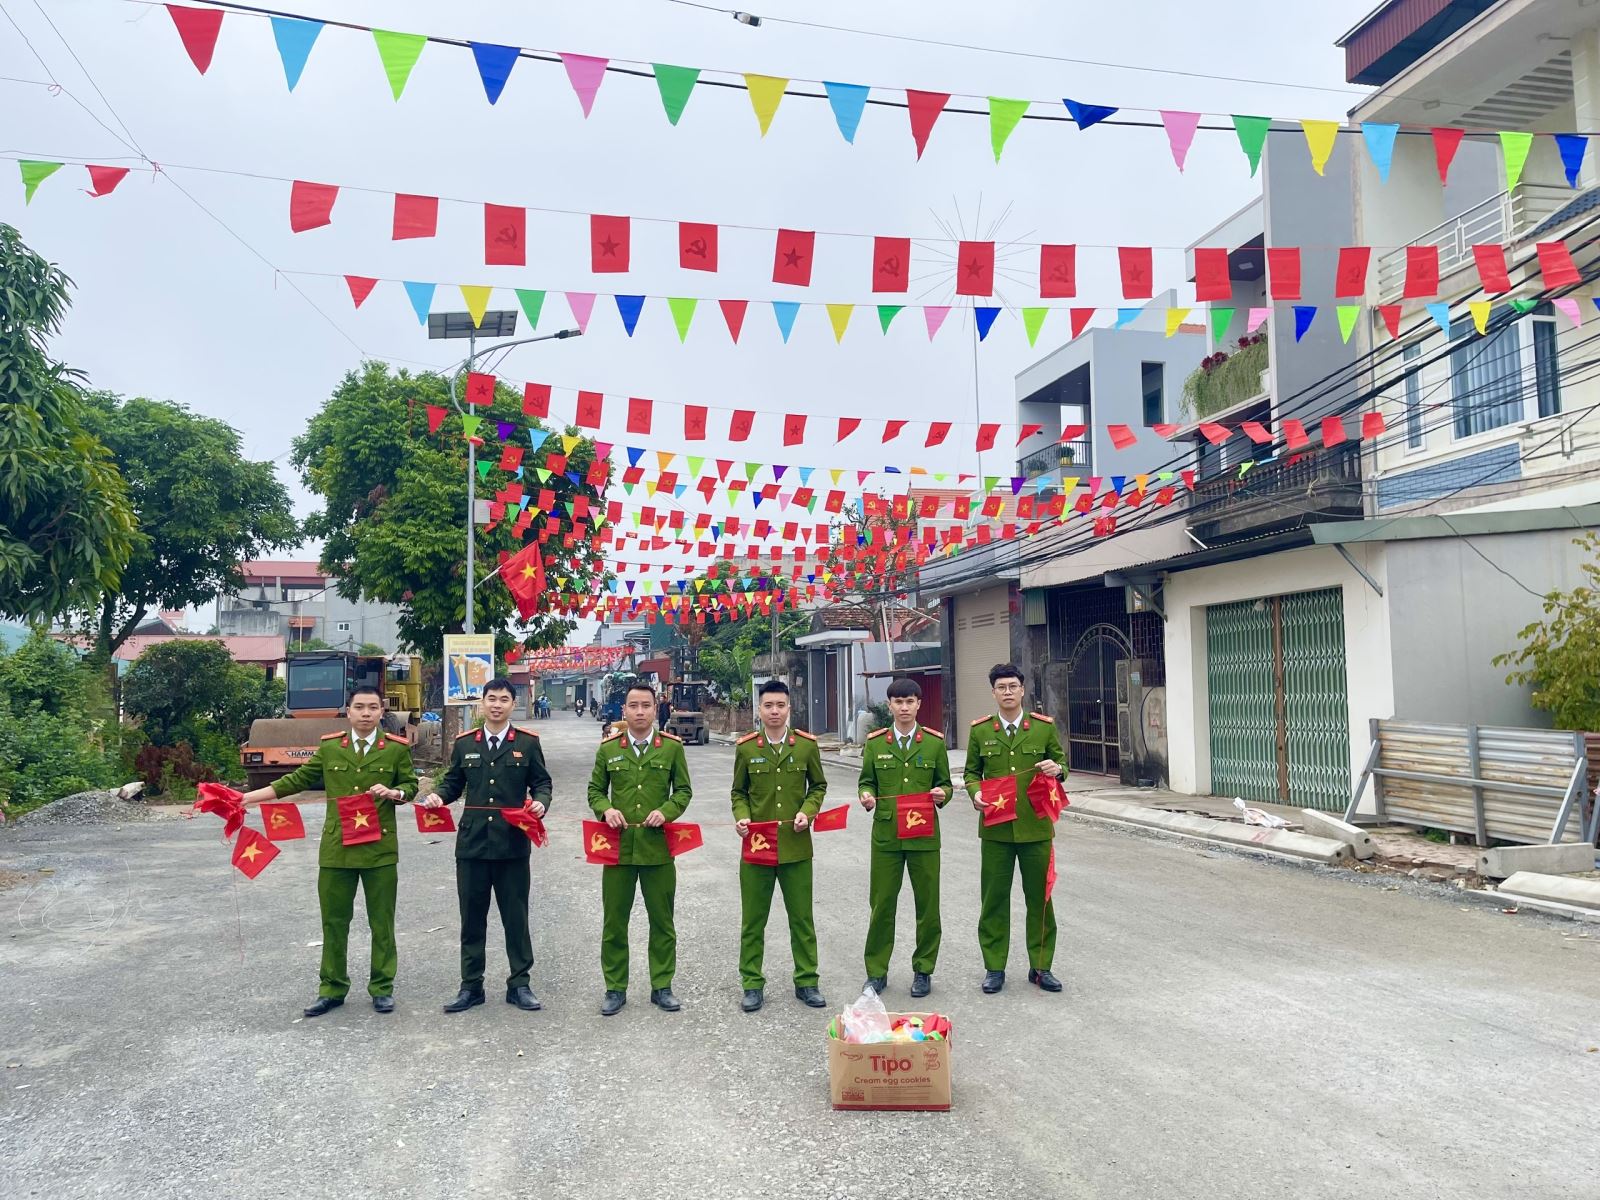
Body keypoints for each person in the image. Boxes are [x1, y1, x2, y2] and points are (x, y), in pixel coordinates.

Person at [236, 684, 419, 1017]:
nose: (366, 713)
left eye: (373, 708)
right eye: (360, 707)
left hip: (380, 848)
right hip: (338, 848)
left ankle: (381, 987)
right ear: (348, 712)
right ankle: (332, 988)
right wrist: (249, 797)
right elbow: (298, 779)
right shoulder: (332, 748)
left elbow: (411, 786)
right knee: (334, 922)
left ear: (382, 712)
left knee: (382, 922)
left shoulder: (394, 749)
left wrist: (394, 791)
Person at [421, 678, 553, 1015]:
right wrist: (439, 796)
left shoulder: (527, 743)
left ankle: (520, 984)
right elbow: (453, 783)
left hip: (512, 844)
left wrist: (540, 802)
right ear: (482, 703)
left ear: (513, 704)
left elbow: (541, 782)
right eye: (491, 699)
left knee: (516, 917)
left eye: (504, 699)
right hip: (473, 845)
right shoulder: (466, 743)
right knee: (472, 918)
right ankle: (471, 986)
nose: (496, 705)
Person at [586, 683, 692, 1016]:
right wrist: (606, 809)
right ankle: (615, 988)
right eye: (634, 705)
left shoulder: (672, 748)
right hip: (616, 850)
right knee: (614, 922)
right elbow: (594, 791)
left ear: (655, 708)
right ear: (625, 711)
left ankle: (662, 986)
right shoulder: (608, 750)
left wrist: (667, 811)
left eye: (646, 705)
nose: (640, 711)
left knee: (662, 921)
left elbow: (684, 791)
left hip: (658, 849)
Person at [962, 663, 1067, 995]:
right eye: (1001, 687)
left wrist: (1058, 768)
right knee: (994, 900)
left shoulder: (1042, 728)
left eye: (1013, 686)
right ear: (993, 693)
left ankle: (1041, 966)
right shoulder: (981, 731)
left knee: (1040, 899)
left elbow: (1062, 764)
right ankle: (995, 967)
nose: (1007, 692)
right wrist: (975, 793)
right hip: (996, 830)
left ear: (1023, 690)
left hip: (1035, 827)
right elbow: (970, 773)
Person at [731, 679, 828, 1013]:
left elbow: (818, 786)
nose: (775, 712)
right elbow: (738, 792)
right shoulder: (746, 748)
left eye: (780, 705)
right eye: (768, 706)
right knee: (753, 920)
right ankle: (752, 983)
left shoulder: (805, 746)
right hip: (756, 846)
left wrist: (807, 812)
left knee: (802, 918)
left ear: (790, 708)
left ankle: (807, 981)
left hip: (796, 845)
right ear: (759, 709)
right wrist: (741, 817)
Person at [857, 677, 952, 999]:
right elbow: (866, 781)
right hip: (886, 836)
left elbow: (945, 784)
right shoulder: (876, 743)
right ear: (890, 706)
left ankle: (923, 970)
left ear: (919, 704)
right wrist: (867, 795)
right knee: (882, 905)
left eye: (910, 701)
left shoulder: (934, 743)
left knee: (928, 907)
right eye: (898, 702)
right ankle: (876, 972)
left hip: (924, 835)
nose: (904, 707)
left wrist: (943, 794)